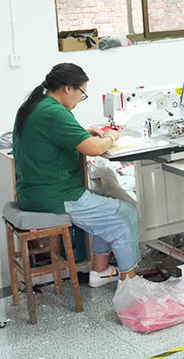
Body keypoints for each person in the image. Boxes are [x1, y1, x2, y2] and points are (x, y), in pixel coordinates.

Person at [13, 63, 140, 287]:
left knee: (106, 206)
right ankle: (131, 283)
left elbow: (58, 135)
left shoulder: (34, 105)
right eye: (82, 93)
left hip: (32, 192)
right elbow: (94, 148)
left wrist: (84, 133)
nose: (81, 99)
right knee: (126, 213)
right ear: (68, 88)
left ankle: (101, 271)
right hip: (55, 196)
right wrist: (112, 136)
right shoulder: (54, 112)